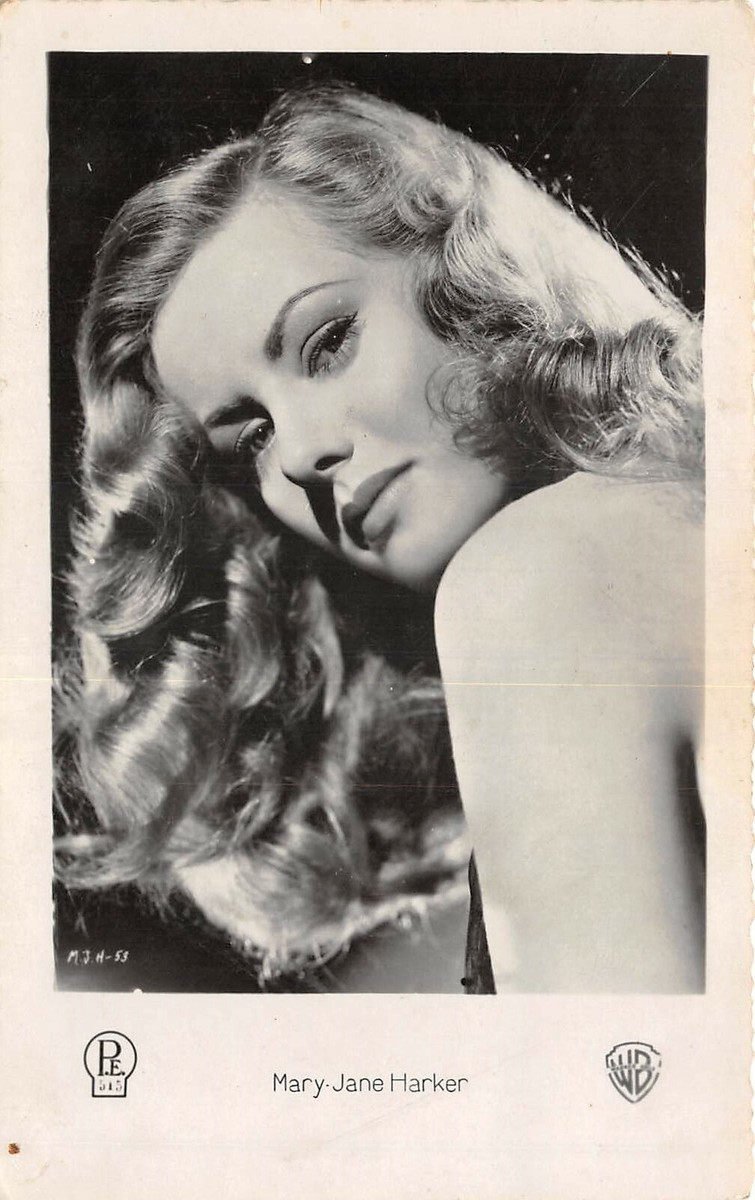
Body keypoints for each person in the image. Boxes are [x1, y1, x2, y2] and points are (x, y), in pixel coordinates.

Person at [54, 83, 705, 993]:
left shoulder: (529, 575)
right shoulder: (683, 508)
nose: (301, 455)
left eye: (326, 344)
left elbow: (611, 1079)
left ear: (470, 274)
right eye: (252, 438)